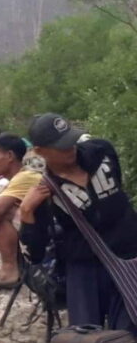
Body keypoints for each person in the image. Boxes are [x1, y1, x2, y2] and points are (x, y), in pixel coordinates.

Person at [20, 113, 137, 331]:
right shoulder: (45, 191)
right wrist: (26, 211)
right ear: (39, 151)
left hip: (129, 256)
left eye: (71, 141)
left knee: (128, 337)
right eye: (60, 147)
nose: (70, 149)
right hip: (85, 270)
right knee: (86, 342)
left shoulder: (102, 152)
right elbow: (34, 253)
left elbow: (118, 193)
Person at [0, 134, 40, 289]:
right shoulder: (18, 178)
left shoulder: (25, 176)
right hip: (39, 229)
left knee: (3, 214)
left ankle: (9, 270)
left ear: (10, 156)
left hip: (48, 234)